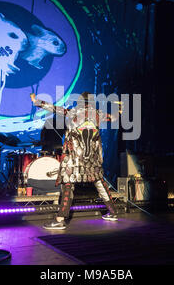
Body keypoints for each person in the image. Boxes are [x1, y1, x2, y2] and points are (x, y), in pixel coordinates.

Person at [30, 91, 119, 229]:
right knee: (100, 183)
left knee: (68, 185)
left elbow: (53, 108)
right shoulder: (98, 114)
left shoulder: (72, 112)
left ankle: (60, 219)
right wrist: (118, 111)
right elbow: (112, 118)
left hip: (74, 159)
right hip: (92, 159)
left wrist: (37, 101)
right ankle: (113, 212)